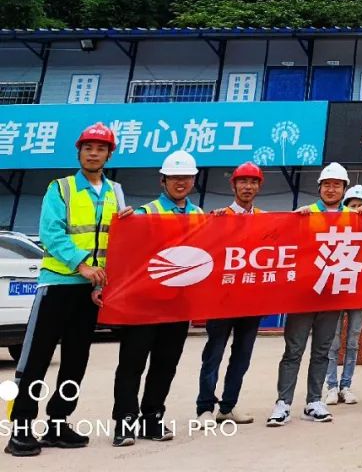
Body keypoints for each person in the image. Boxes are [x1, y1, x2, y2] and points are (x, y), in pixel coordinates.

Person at [5, 124, 124, 457]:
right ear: (79, 151)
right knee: (36, 359)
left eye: (100, 148)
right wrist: (82, 265)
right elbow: (51, 233)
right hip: (57, 285)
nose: (93, 153)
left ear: (109, 155)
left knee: (75, 360)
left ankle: (58, 423)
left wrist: (103, 282)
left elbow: (118, 241)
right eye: (88, 147)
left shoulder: (116, 193)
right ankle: (20, 429)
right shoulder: (61, 188)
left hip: (90, 291)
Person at [111, 151, 204, 446]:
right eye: (174, 177)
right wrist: (123, 223)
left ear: (194, 180)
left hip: (178, 304)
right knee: (132, 363)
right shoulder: (143, 214)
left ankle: (152, 418)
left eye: (186, 177)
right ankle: (125, 422)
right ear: (162, 180)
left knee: (166, 364)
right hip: (144, 303)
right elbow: (124, 252)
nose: (180, 182)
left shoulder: (201, 216)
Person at [266, 162, 350, 427]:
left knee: (322, 351)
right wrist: (293, 221)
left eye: (337, 185)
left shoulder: (353, 217)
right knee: (294, 350)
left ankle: (314, 401)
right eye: (327, 184)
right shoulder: (305, 213)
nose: (331, 189)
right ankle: (283, 403)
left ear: (344, 189)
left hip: (332, 294)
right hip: (303, 295)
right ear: (319, 187)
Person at [195, 162, 266, 429]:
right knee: (213, 353)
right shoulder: (218, 217)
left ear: (259, 187)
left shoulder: (266, 219)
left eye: (253, 182)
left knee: (242, 355)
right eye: (243, 182)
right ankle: (205, 407)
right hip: (221, 300)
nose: (248, 187)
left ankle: (228, 406)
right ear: (233, 185)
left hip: (251, 299)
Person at [325, 184, 362, 407]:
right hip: (336, 291)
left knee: (353, 342)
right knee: (333, 343)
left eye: (360, 205)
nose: (356, 209)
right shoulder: (334, 227)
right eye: (352, 205)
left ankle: (346, 385)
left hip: (358, 292)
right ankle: (331, 386)